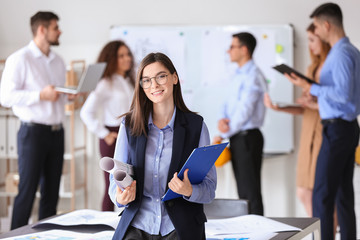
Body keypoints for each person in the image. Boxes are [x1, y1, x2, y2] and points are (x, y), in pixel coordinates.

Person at [109, 52, 216, 240]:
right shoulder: (129, 125)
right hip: (138, 226)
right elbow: (114, 183)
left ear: (174, 78)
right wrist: (120, 198)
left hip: (179, 228)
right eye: (146, 80)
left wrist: (189, 191)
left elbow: (209, 189)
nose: (154, 85)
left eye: (161, 76)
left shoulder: (196, 127)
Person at [286, 3, 360, 239]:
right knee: (342, 195)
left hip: (337, 129)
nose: (316, 31)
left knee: (322, 195)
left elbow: (342, 94)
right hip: (344, 127)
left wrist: (310, 86)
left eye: (316, 26)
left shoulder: (341, 54)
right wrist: (315, 93)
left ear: (326, 25)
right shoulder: (350, 52)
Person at [0, 11, 75, 229]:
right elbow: (5, 97)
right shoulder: (19, 59)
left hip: (56, 132)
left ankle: (46, 235)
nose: (59, 31)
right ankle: (14, 237)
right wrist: (39, 95)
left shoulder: (58, 61)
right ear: (42, 30)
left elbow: (55, 97)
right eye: (55, 27)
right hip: (32, 134)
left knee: (51, 193)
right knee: (27, 191)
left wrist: (66, 95)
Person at [264, 23, 330, 217]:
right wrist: (278, 107)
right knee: (304, 192)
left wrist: (313, 103)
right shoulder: (311, 68)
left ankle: (324, 233)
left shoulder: (331, 67)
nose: (310, 46)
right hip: (308, 133)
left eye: (312, 40)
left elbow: (337, 102)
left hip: (324, 132)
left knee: (323, 194)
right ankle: (319, 231)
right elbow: (305, 108)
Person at [213, 32, 267, 215]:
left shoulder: (253, 75)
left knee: (250, 193)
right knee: (243, 193)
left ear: (244, 50)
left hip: (248, 138)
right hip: (237, 137)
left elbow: (245, 110)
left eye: (232, 47)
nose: (228, 51)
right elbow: (227, 103)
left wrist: (225, 132)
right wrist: (222, 122)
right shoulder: (238, 74)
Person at [80, 40, 135, 211]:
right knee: (112, 187)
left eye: (128, 54)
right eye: (121, 56)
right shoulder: (105, 83)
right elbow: (85, 112)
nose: (127, 59)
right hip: (113, 137)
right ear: (112, 59)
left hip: (131, 135)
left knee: (131, 185)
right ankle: (105, 229)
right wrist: (104, 133)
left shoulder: (129, 81)